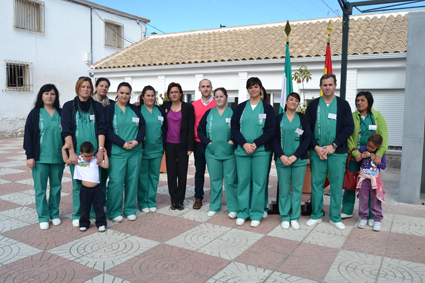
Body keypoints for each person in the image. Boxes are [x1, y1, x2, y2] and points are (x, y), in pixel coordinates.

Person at [305, 73, 354, 230]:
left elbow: (349, 127)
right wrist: (316, 147)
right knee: (317, 184)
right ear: (320, 86)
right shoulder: (313, 106)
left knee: (336, 185)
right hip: (317, 151)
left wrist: (334, 145)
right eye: (324, 85)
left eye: (330, 84)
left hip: (337, 152)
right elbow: (307, 129)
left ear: (335, 85)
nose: (327, 87)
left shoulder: (343, 105)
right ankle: (316, 215)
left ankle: (334, 216)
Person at [62, 77, 107, 227]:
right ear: (78, 88)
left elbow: (101, 129)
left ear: (92, 89)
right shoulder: (69, 106)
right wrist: (72, 152)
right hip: (78, 153)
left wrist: (100, 150)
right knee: (78, 185)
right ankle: (79, 214)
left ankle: (94, 213)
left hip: (93, 154)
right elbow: (67, 131)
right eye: (83, 87)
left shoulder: (97, 106)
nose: (86, 89)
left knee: (95, 183)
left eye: (88, 87)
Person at [231, 77, 276, 227]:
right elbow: (234, 128)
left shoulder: (267, 108)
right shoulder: (240, 108)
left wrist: (255, 144)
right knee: (243, 182)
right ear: (247, 90)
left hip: (261, 152)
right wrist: (244, 144)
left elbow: (271, 130)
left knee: (259, 183)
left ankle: (256, 213)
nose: (253, 89)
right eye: (250, 87)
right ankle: (243, 212)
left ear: (260, 88)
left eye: (256, 87)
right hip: (242, 151)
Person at [341, 91, 388, 227]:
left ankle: (372, 215)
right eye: (357, 100)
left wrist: (378, 155)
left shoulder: (378, 117)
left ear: (369, 102)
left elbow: (384, 138)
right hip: (357, 155)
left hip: (372, 159)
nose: (359, 103)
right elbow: (348, 136)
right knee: (351, 183)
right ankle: (347, 210)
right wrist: (355, 152)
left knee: (371, 186)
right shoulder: (352, 117)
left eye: (362, 100)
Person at [24, 84, 64, 230]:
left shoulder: (61, 113)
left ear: (56, 96)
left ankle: (54, 214)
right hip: (40, 158)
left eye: (52, 94)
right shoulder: (35, 114)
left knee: (56, 188)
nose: (49, 96)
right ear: (41, 95)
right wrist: (30, 155)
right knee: (40, 189)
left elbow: (68, 134)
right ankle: (43, 216)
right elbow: (28, 135)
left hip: (58, 158)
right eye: (46, 93)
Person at [104, 82, 145, 222]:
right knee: (116, 182)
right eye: (122, 92)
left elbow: (142, 126)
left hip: (135, 152)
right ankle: (114, 211)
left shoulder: (135, 109)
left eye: (127, 93)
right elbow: (106, 130)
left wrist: (137, 141)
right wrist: (122, 143)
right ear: (117, 93)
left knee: (132, 181)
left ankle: (129, 209)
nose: (124, 95)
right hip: (117, 153)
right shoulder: (109, 109)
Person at [273, 92, 311, 230]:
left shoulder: (303, 119)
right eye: (291, 99)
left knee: (296, 190)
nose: (293, 102)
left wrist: (295, 156)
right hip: (282, 159)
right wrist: (281, 155)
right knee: (283, 189)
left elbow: (307, 139)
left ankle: (294, 217)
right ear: (286, 101)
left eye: (296, 100)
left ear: (298, 103)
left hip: (298, 160)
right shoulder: (278, 119)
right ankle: (284, 216)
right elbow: (274, 139)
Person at [197, 87, 238, 218]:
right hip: (212, 153)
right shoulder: (209, 113)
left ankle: (233, 208)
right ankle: (214, 206)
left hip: (229, 153)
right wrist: (208, 143)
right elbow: (200, 130)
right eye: (217, 96)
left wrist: (233, 141)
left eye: (221, 96)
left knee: (231, 181)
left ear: (226, 97)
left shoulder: (233, 112)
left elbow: (239, 129)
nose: (219, 98)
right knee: (215, 180)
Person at [62, 142, 109, 232]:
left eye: (90, 155)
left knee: (99, 207)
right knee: (84, 207)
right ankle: (84, 223)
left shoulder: (95, 160)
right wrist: (64, 149)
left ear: (93, 152)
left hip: (96, 189)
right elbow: (65, 160)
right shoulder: (79, 160)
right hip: (85, 189)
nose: (88, 158)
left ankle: (101, 223)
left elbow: (106, 165)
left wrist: (105, 155)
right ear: (81, 154)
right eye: (86, 156)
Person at [162, 82, 194, 210]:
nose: (174, 94)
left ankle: (180, 200)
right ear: (168, 95)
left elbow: (191, 127)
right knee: (171, 173)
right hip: (169, 144)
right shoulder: (165, 106)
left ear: (180, 94)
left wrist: (190, 146)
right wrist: (138, 104)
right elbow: (150, 107)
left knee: (182, 173)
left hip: (182, 145)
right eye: (171, 92)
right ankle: (173, 199)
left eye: (176, 92)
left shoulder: (187, 107)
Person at [137, 85, 166, 213]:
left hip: (157, 149)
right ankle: (143, 202)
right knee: (143, 177)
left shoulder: (160, 110)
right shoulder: (137, 110)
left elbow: (164, 128)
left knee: (154, 177)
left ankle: (151, 200)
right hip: (143, 150)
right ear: (142, 97)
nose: (150, 98)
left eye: (152, 95)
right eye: (148, 95)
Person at [192, 79, 216, 209]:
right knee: (199, 172)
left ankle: (215, 198)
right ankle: (198, 198)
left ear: (211, 88)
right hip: (198, 143)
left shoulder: (217, 102)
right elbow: (191, 125)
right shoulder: (194, 105)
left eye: (208, 86)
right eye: (203, 86)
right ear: (199, 88)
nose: (205, 89)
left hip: (214, 143)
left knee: (215, 172)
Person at [355, 134, 386, 232]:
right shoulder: (362, 149)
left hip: (375, 180)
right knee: (363, 198)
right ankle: (363, 218)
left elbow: (384, 166)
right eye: (369, 145)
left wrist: (375, 159)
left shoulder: (380, 153)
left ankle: (377, 219)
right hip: (363, 178)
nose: (370, 148)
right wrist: (360, 157)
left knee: (376, 199)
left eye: (373, 147)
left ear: (378, 147)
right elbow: (356, 162)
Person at [93, 77, 113, 212]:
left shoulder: (111, 104)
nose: (104, 88)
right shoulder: (89, 102)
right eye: (101, 85)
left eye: (106, 86)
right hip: (92, 142)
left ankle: (103, 202)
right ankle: (92, 204)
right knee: (93, 176)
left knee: (104, 175)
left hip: (107, 143)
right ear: (96, 87)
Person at [260, 85, 271, 218]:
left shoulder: (268, 110)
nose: (260, 96)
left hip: (264, 149)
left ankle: (263, 205)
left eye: (262, 94)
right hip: (249, 150)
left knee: (262, 180)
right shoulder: (246, 109)